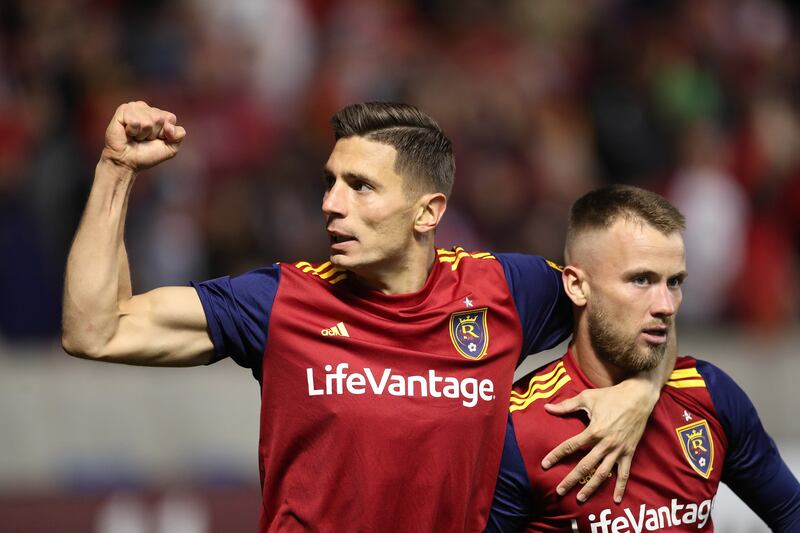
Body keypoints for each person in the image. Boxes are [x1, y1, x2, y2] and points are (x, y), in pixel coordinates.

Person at [63, 101, 667, 532]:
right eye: (330, 183)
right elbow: (96, 328)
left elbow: (643, 303)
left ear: (427, 212)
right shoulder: (277, 301)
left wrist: (640, 389)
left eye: (360, 186)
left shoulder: (507, 290)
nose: (331, 204)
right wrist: (116, 171)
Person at [486, 185, 800, 532]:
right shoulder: (521, 428)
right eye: (641, 280)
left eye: (675, 282)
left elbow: (791, 511)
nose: (666, 306)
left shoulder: (710, 394)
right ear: (577, 286)